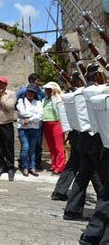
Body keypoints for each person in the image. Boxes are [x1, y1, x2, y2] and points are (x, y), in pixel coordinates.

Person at [64, 63, 107, 222]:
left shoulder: (80, 91)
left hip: (84, 140)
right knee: (104, 180)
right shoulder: (97, 90)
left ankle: (72, 210)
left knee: (84, 176)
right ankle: (101, 218)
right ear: (96, 76)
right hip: (96, 141)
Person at [51, 71, 102, 201]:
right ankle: (103, 198)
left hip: (77, 135)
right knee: (91, 169)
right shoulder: (89, 93)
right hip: (88, 136)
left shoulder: (71, 94)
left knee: (81, 168)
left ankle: (61, 192)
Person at [16, 73, 45, 170]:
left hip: (35, 127)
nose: (31, 94)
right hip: (23, 128)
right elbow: (22, 112)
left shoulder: (39, 96)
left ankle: (33, 166)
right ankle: (24, 165)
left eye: (33, 92)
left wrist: (30, 119)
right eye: (37, 80)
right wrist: (34, 114)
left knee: (34, 147)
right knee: (25, 147)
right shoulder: (21, 95)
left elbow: (41, 114)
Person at [41, 82, 65, 174]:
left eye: (49, 89)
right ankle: (54, 164)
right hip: (46, 123)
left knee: (58, 146)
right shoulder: (44, 100)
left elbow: (58, 109)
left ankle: (60, 166)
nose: (47, 91)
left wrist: (55, 96)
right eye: (46, 89)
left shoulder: (58, 99)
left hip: (56, 123)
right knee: (51, 146)